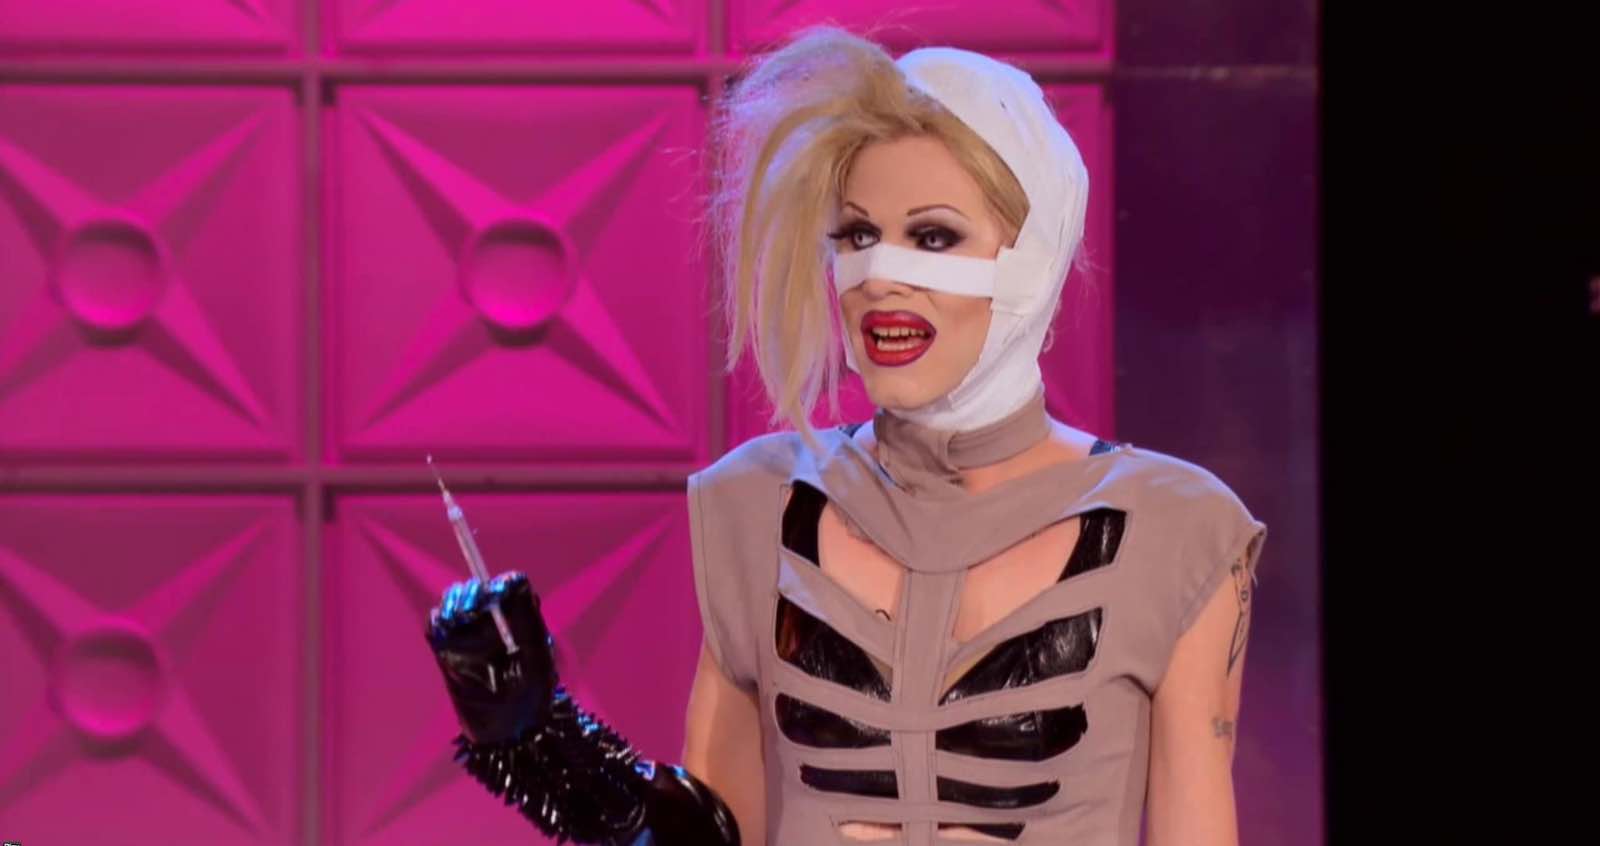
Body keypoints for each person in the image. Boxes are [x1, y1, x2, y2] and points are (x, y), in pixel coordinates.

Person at [427, 25, 1267, 846]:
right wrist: (542, 748)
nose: (879, 277)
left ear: (1034, 258)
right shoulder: (756, 503)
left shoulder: (1178, 530)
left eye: (932, 236)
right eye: (858, 235)